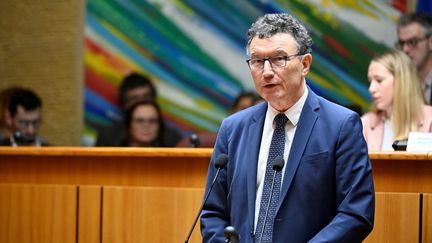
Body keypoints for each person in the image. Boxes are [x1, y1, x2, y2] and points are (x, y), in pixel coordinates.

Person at [200, 13, 374, 242]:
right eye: (257, 61)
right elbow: (212, 212)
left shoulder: (341, 125)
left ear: (305, 64)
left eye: (279, 58)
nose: (267, 71)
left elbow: (356, 213)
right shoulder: (233, 128)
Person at [361, 50, 432, 151]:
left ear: (402, 81)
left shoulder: (430, 120)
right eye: (370, 81)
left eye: (379, 80)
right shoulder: (366, 123)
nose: (371, 88)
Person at [95, 72, 182, 147]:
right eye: (134, 99)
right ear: (124, 104)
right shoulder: (109, 137)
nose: (141, 102)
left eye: (146, 97)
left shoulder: (170, 137)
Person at [396, 12, 432, 104]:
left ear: (431, 42)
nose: (405, 49)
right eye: (401, 43)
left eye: (413, 42)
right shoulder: (398, 83)